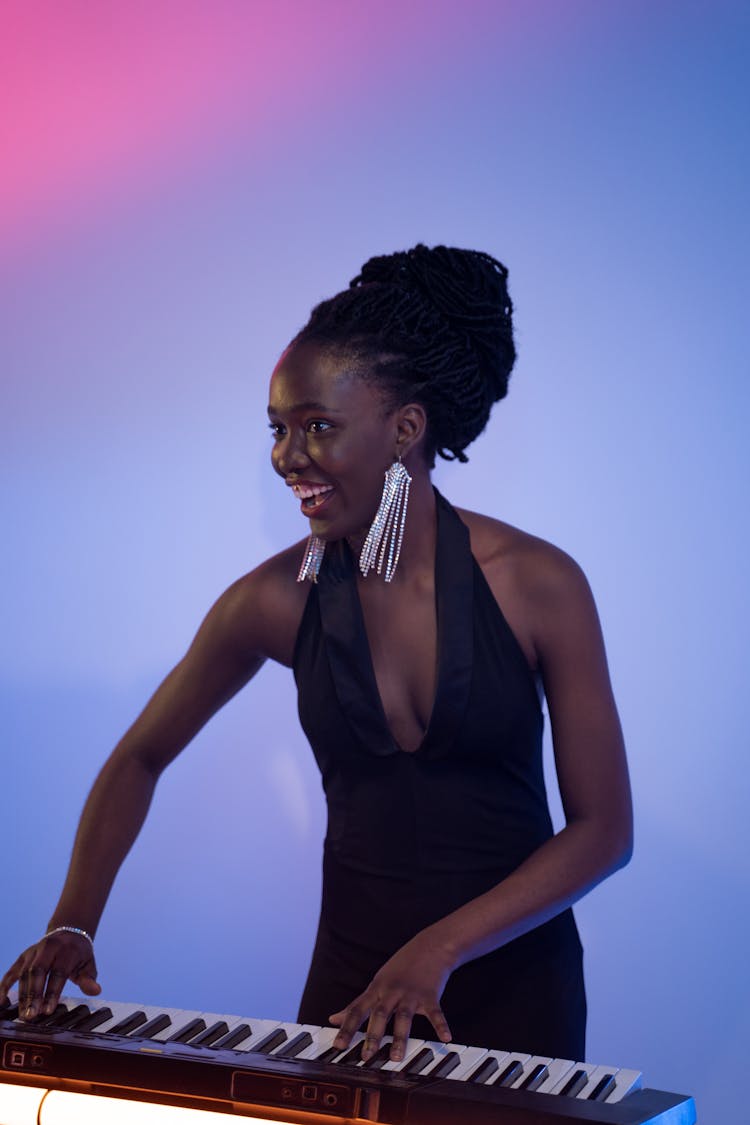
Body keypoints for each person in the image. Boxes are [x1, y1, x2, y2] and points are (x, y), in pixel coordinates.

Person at [0, 244, 632, 1064]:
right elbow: (141, 756)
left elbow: (603, 830)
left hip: (518, 991)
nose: (286, 456)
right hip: (353, 994)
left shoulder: (537, 584)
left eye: (318, 427)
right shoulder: (271, 600)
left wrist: (435, 950)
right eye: (278, 428)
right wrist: (73, 919)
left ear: (405, 427)